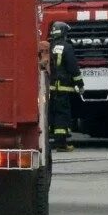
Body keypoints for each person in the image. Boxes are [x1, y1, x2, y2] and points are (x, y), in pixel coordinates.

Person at [47, 21, 81, 152]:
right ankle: (61, 144)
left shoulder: (49, 46)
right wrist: (80, 84)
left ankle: (52, 141)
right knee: (63, 114)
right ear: (64, 33)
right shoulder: (67, 47)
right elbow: (73, 67)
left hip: (50, 87)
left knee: (53, 114)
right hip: (63, 87)